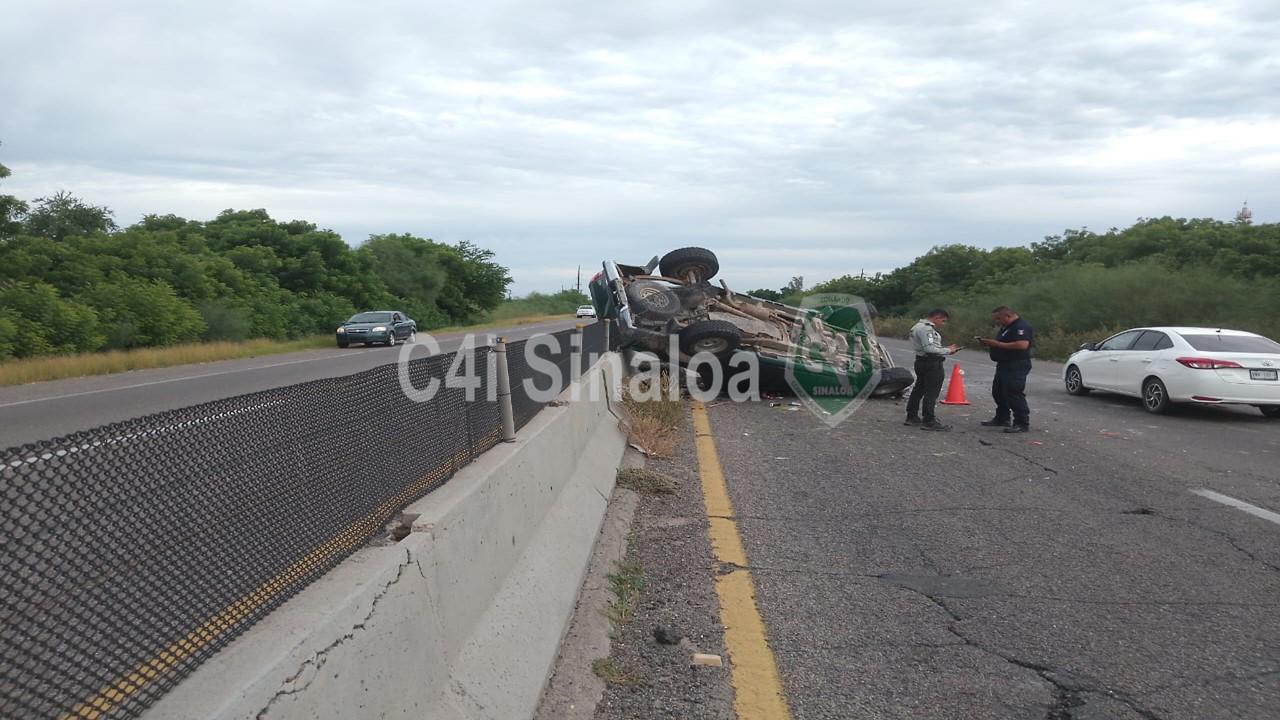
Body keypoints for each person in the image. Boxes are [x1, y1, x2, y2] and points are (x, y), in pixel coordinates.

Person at [978, 306, 1034, 433]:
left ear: (1007, 316)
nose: (997, 322)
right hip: (1004, 364)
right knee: (998, 392)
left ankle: (1021, 422)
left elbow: (1022, 344)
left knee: (1013, 393)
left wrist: (996, 344)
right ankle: (1002, 417)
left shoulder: (1021, 326)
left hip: (1016, 364)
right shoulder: (1007, 327)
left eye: (998, 319)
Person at [905, 309, 959, 431]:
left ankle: (911, 416)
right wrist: (948, 350)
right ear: (937, 317)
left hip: (921, 360)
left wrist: (944, 349)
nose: (943, 324)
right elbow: (929, 348)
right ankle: (929, 420)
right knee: (931, 392)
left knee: (919, 389)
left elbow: (930, 346)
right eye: (943, 321)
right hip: (931, 363)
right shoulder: (927, 329)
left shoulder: (917, 326)